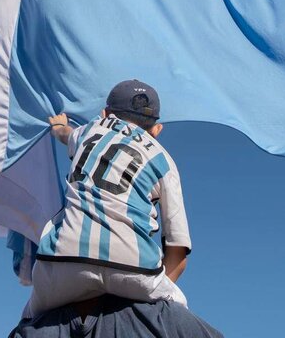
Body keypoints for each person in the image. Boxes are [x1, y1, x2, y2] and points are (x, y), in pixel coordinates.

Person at [24, 79, 191, 319]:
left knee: (30, 320)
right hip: (133, 266)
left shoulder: (90, 130)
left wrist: (58, 125)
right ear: (157, 131)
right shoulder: (164, 162)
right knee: (179, 318)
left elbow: (64, 134)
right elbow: (178, 251)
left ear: (104, 115)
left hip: (61, 260)